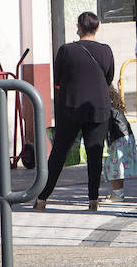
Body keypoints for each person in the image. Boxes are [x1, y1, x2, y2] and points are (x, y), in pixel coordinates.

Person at [38, 11, 113, 212]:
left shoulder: (66, 50)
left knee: (59, 153)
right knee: (95, 152)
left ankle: (42, 197)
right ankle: (93, 199)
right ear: (97, 28)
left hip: (71, 106)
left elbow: (58, 79)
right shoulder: (106, 50)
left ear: (78, 27)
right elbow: (109, 77)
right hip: (98, 106)